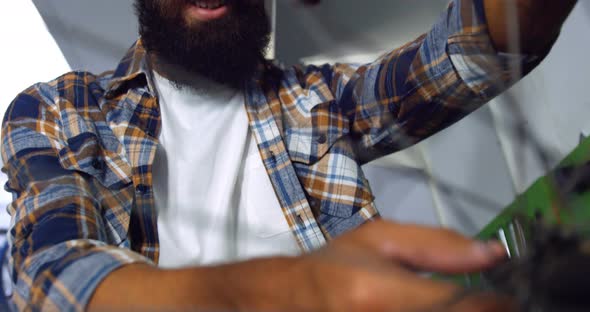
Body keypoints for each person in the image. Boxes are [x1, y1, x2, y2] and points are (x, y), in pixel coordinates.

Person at [1, 0, 577, 311]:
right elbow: (55, 281)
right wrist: (300, 292)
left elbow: (472, 54)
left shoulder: (318, 98)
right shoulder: (60, 109)